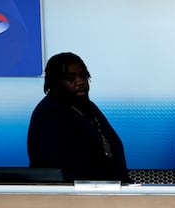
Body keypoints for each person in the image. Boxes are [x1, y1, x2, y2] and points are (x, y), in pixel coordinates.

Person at [26, 52, 130, 183]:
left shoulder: (87, 106)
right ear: (55, 83)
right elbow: (64, 169)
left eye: (83, 75)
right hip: (71, 198)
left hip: (107, 194)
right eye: (70, 78)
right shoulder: (49, 113)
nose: (80, 82)